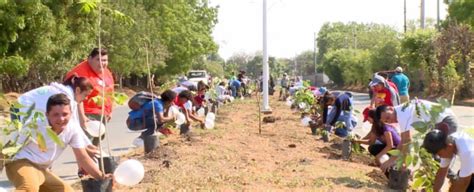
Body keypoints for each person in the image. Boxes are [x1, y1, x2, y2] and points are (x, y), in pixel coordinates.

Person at [5, 94, 111, 191]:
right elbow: (8, 148)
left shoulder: (72, 129)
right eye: (56, 115)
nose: (61, 119)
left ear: (71, 114)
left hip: (42, 169)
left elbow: (83, 158)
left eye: (65, 114)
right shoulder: (35, 125)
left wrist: (101, 177)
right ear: (47, 114)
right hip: (20, 163)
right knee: (29, 188)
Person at [377, 100, 458, 172]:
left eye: (388, 117)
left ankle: (450, 178)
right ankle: (436, 179)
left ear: (391, 109)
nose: (390, 121)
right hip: (439, 123)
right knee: (426, 152)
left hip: (446, 121)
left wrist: (393, 161)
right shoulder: (401, 111)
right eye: (386, 121)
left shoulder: (401, 113)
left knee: (440, 154)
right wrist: (399, 162)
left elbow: (406, 140)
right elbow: (404, 140)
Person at [64, 48, 114, 146]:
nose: (102, 63)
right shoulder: (80, 73)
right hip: (88, 113)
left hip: (102, 113)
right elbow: (76, 97)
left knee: (97, 143)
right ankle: (86, 160)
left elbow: (110, 90)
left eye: (105, 60)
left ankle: (94, 161)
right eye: (98, 60)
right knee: (87, 144)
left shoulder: (106, 71)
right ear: (90, 59)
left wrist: (110, 111)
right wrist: (82, 117)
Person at [423, 125, 474, 192]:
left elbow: (463, 183)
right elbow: (441, 173)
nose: (440, 157)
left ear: (449, 147)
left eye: (440, 154)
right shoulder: (447, 143)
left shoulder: (466, 151)